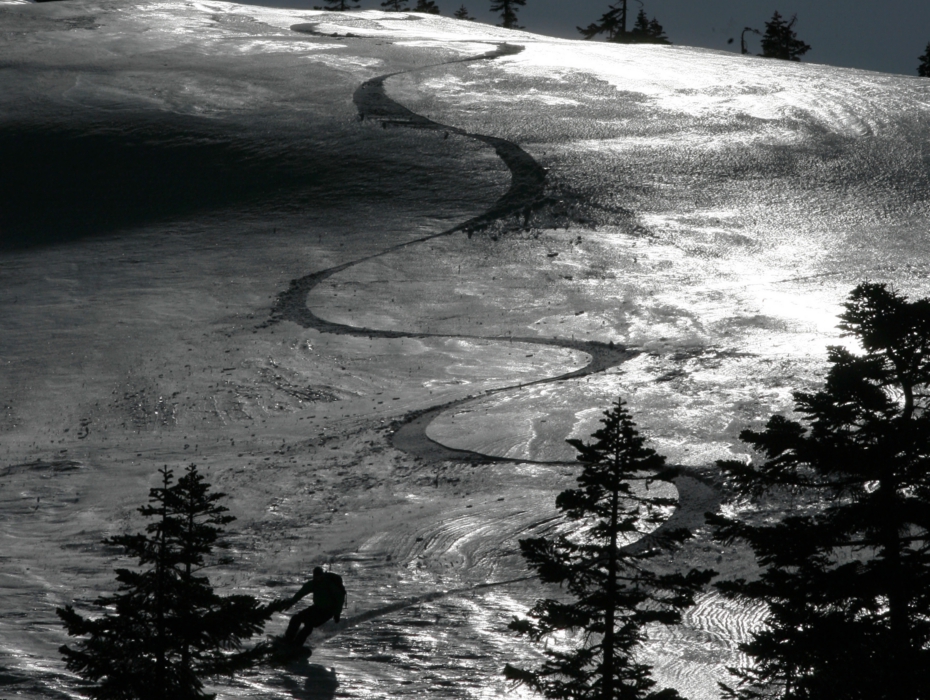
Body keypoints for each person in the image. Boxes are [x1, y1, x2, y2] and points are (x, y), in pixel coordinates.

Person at [283, 566, 347, 646]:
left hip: (328, 611)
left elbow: (340, 599)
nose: (318, 578)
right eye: (316, 577)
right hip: (317, 608)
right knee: (296, 618)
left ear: (322, 575)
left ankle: (297, 645)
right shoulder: (313, 584)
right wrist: (291, 602)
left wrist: (337, 614)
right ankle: (287, 640)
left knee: (309, 624)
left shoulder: (329, 585)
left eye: (319, 576)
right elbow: (301, 593)